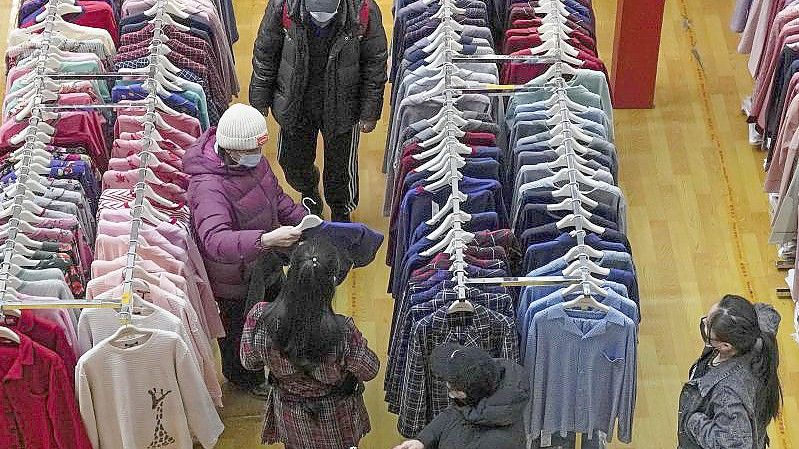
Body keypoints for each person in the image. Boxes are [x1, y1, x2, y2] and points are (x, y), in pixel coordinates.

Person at [184, 103, 307, 396]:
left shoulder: (252, 161)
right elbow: (215, 240)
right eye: (253, 150)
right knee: (240, 332)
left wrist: (304, 220)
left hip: (265, 264)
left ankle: (277, 365)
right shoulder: (208, 186)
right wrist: (265, 240)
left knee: (278, 315)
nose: (259, 156)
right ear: (232, 149)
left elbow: (276, 198)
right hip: (234, 280)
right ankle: (245, 380)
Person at [249, 0, 389, 222]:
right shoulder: (283, 6)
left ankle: (341, 209)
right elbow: (265, 53)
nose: (320, 18)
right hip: (295, 102)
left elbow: (375, 63)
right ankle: (309, 190)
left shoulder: (364, 11)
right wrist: (259, 101)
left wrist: (369, 112)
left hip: (344, 104)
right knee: (291, 161)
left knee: (341, 168)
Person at [240, 239, 380, 449]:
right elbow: (370, 370)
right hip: (335, 416)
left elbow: (250, 362)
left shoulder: (260, 316)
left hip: (289, 412)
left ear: (292, 272)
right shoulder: (342, 330)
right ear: (333, 280)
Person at [677, 294, 783, 449]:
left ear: (726, 346)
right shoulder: (755, 337)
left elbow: (734, 444)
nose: (704, 322)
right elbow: (767, 312)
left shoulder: (727, 393)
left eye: (707, 327)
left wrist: (694, 421)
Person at [392, 344, 529, 449]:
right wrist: (422, 440)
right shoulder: (484, 388)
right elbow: (453, 413)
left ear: (465, 393)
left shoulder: (497, 442)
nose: (449, 391)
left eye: (452, 390)